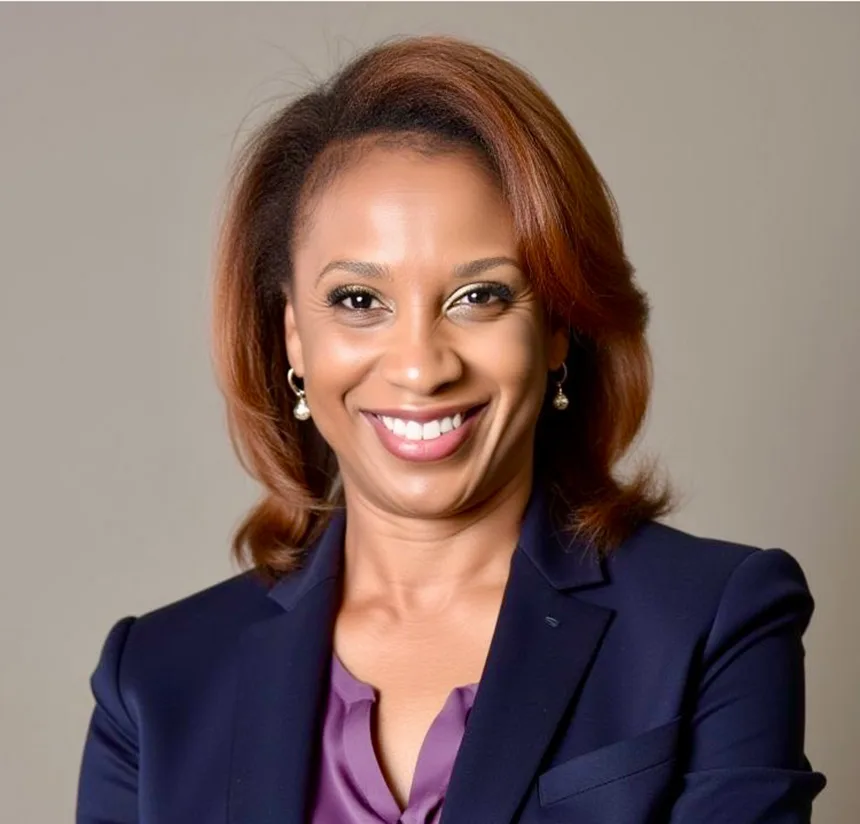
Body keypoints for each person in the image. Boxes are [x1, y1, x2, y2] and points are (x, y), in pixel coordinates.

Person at [76, 34, 826, 824]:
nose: (421, 366)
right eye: (359, 302)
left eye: (480, 297)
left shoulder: (713, 621)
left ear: (559, 325)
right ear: (293, 335)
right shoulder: (156, 679)